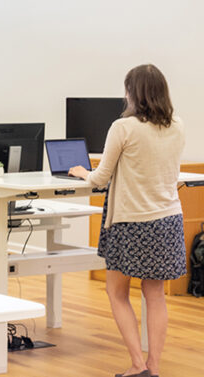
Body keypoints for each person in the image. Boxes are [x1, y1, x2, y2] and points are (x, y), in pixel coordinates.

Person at [68, 64, 185, 377]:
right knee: (155, 294)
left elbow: (100, 178)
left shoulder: (123, 127)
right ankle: (153, 367)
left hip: (132, 223)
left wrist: (82, 172)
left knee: (117, 292)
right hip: (167, 220)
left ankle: (137, 364)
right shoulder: (177, 125)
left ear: (133, 93)